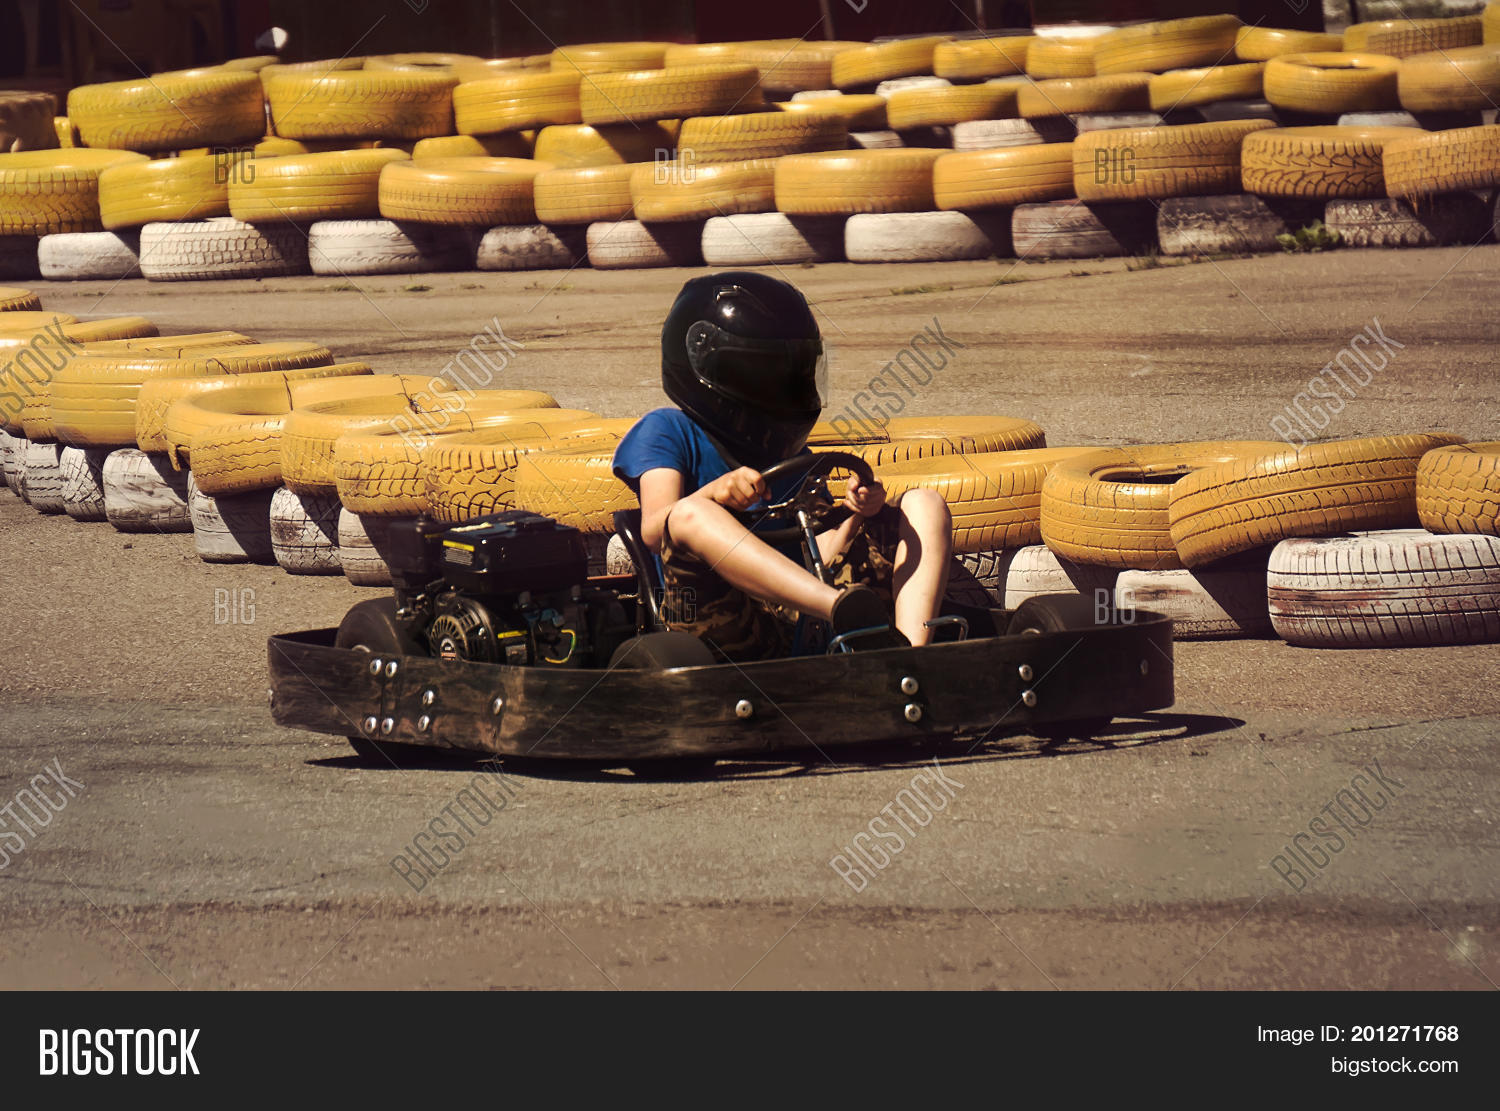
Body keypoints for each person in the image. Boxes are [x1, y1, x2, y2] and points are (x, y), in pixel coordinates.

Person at [610, 271, 953, 662]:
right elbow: (655, 531)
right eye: (764, 374)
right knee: (690, 513)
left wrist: (854, 515)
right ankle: (841, 612)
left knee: (924, 502)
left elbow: (817, 554)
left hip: (800, 611)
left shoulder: (790, 453)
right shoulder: (666, 429)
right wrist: (715, 493)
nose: (781, 389)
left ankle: (911, 660)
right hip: (712, 615)